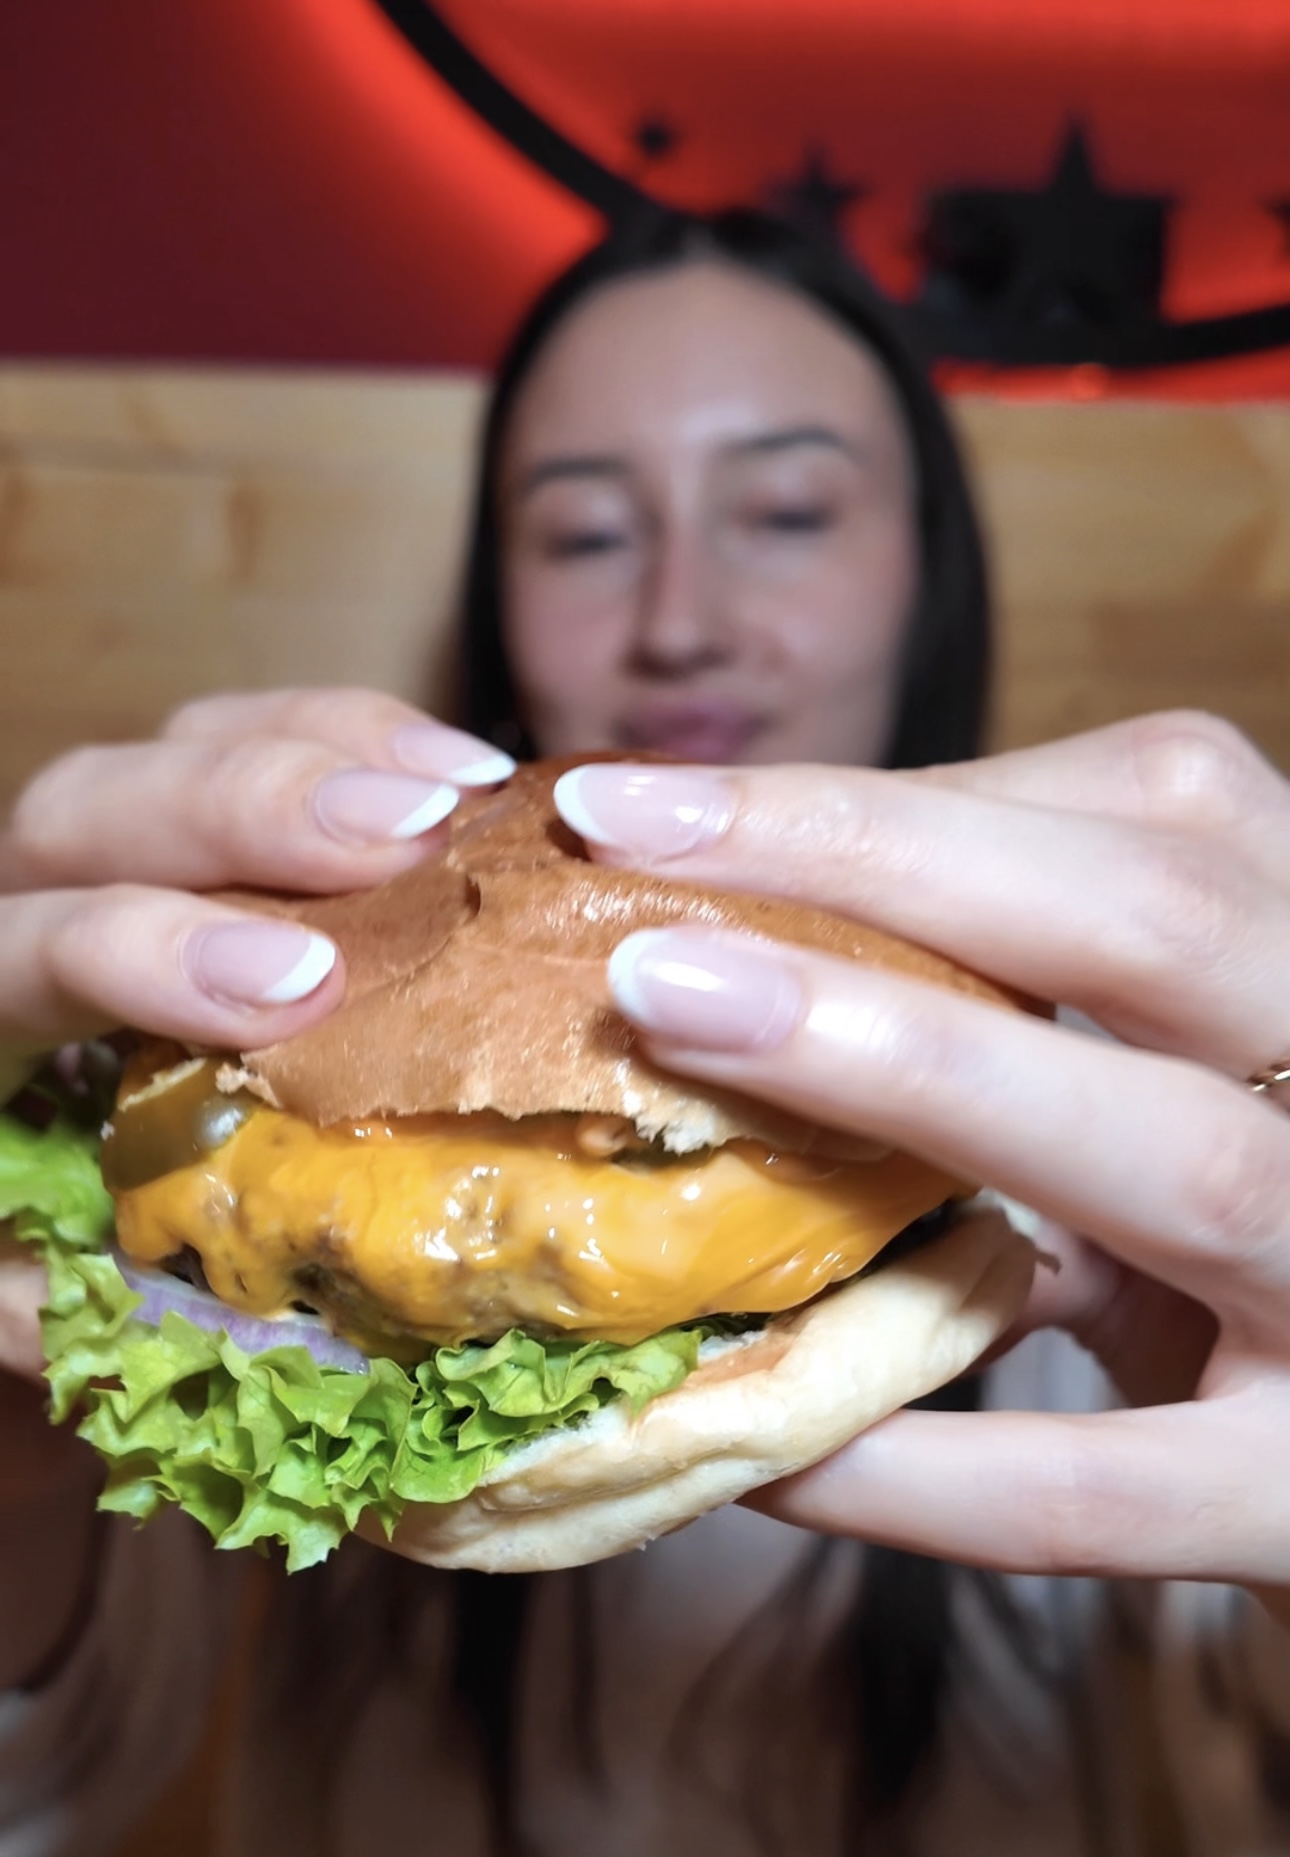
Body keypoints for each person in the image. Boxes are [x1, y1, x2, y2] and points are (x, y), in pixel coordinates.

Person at [2, 207, 1289, 1857]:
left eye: (786, 508)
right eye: (587, 531)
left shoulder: (1165, 1139)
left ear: (928, 571)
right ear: (498, 594)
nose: (681, 615)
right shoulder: (268, 1025)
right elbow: (55, 1776)